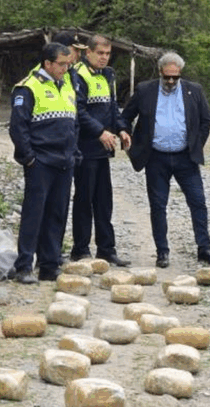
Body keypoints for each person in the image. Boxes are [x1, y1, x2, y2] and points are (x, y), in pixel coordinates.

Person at [121, 52, 210, 268]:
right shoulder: (145, 90)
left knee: (198, 202)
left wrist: (196, 144)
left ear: (180, 74)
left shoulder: (193, 90)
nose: (170, 81)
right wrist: (126, 136)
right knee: (158, 205)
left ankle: (204, 248)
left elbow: (206, 120)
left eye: (174, 77)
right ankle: (162, 252)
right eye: (167, 77)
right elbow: (125, 117)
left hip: (186, 157)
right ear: (160, 72)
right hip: (155, 157)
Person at [9, 42, 79, 284]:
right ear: (47, 63)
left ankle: (49, 265)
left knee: (57, 214)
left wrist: (74, 152)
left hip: (65, 161)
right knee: (34, 214)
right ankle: (24, 266)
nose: (66, 68)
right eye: (61, 64)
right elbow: (18, 127)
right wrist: (28, 158)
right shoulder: (27, 88)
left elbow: (73, 121)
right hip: (40, 162)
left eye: (68, 64)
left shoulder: (68, 83)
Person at [70, 35, 132, 266]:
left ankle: (106, 249)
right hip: (85, 146)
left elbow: (113, 106)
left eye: (108, 54)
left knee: (104, 200)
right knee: (84, 199)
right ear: (89, 53)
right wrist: (100, 131)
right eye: (100, 54)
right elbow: (78, 110)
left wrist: (122, 129)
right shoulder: (78, 74)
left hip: (103, 149)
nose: (104, 58)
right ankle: (80, 249)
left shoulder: (108, 74)